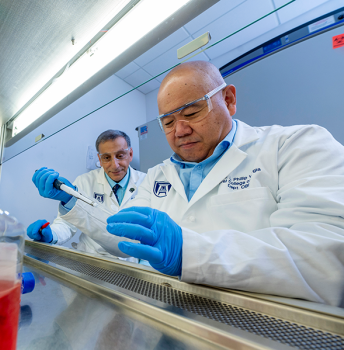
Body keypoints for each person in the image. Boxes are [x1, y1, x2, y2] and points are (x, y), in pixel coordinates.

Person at [32, 61, 344, 307]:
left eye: (192, 112)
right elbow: (122, 238)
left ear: (229, 99)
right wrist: (72, 205)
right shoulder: (157, 177)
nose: (179, 130)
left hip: (265, 329)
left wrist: (190, 252)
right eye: (167, 122)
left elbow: (325, 258)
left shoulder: (298, 145)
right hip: (172, 317)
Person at [29, 130, 146, 261]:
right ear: (100, 159)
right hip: (92, 261)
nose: (115, 165)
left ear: (130, 154)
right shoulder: (84, 182)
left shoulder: (147, 183)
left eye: (120, 155)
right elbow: (67, 224)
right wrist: (52, 235)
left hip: (133, 264)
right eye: (107, 158)